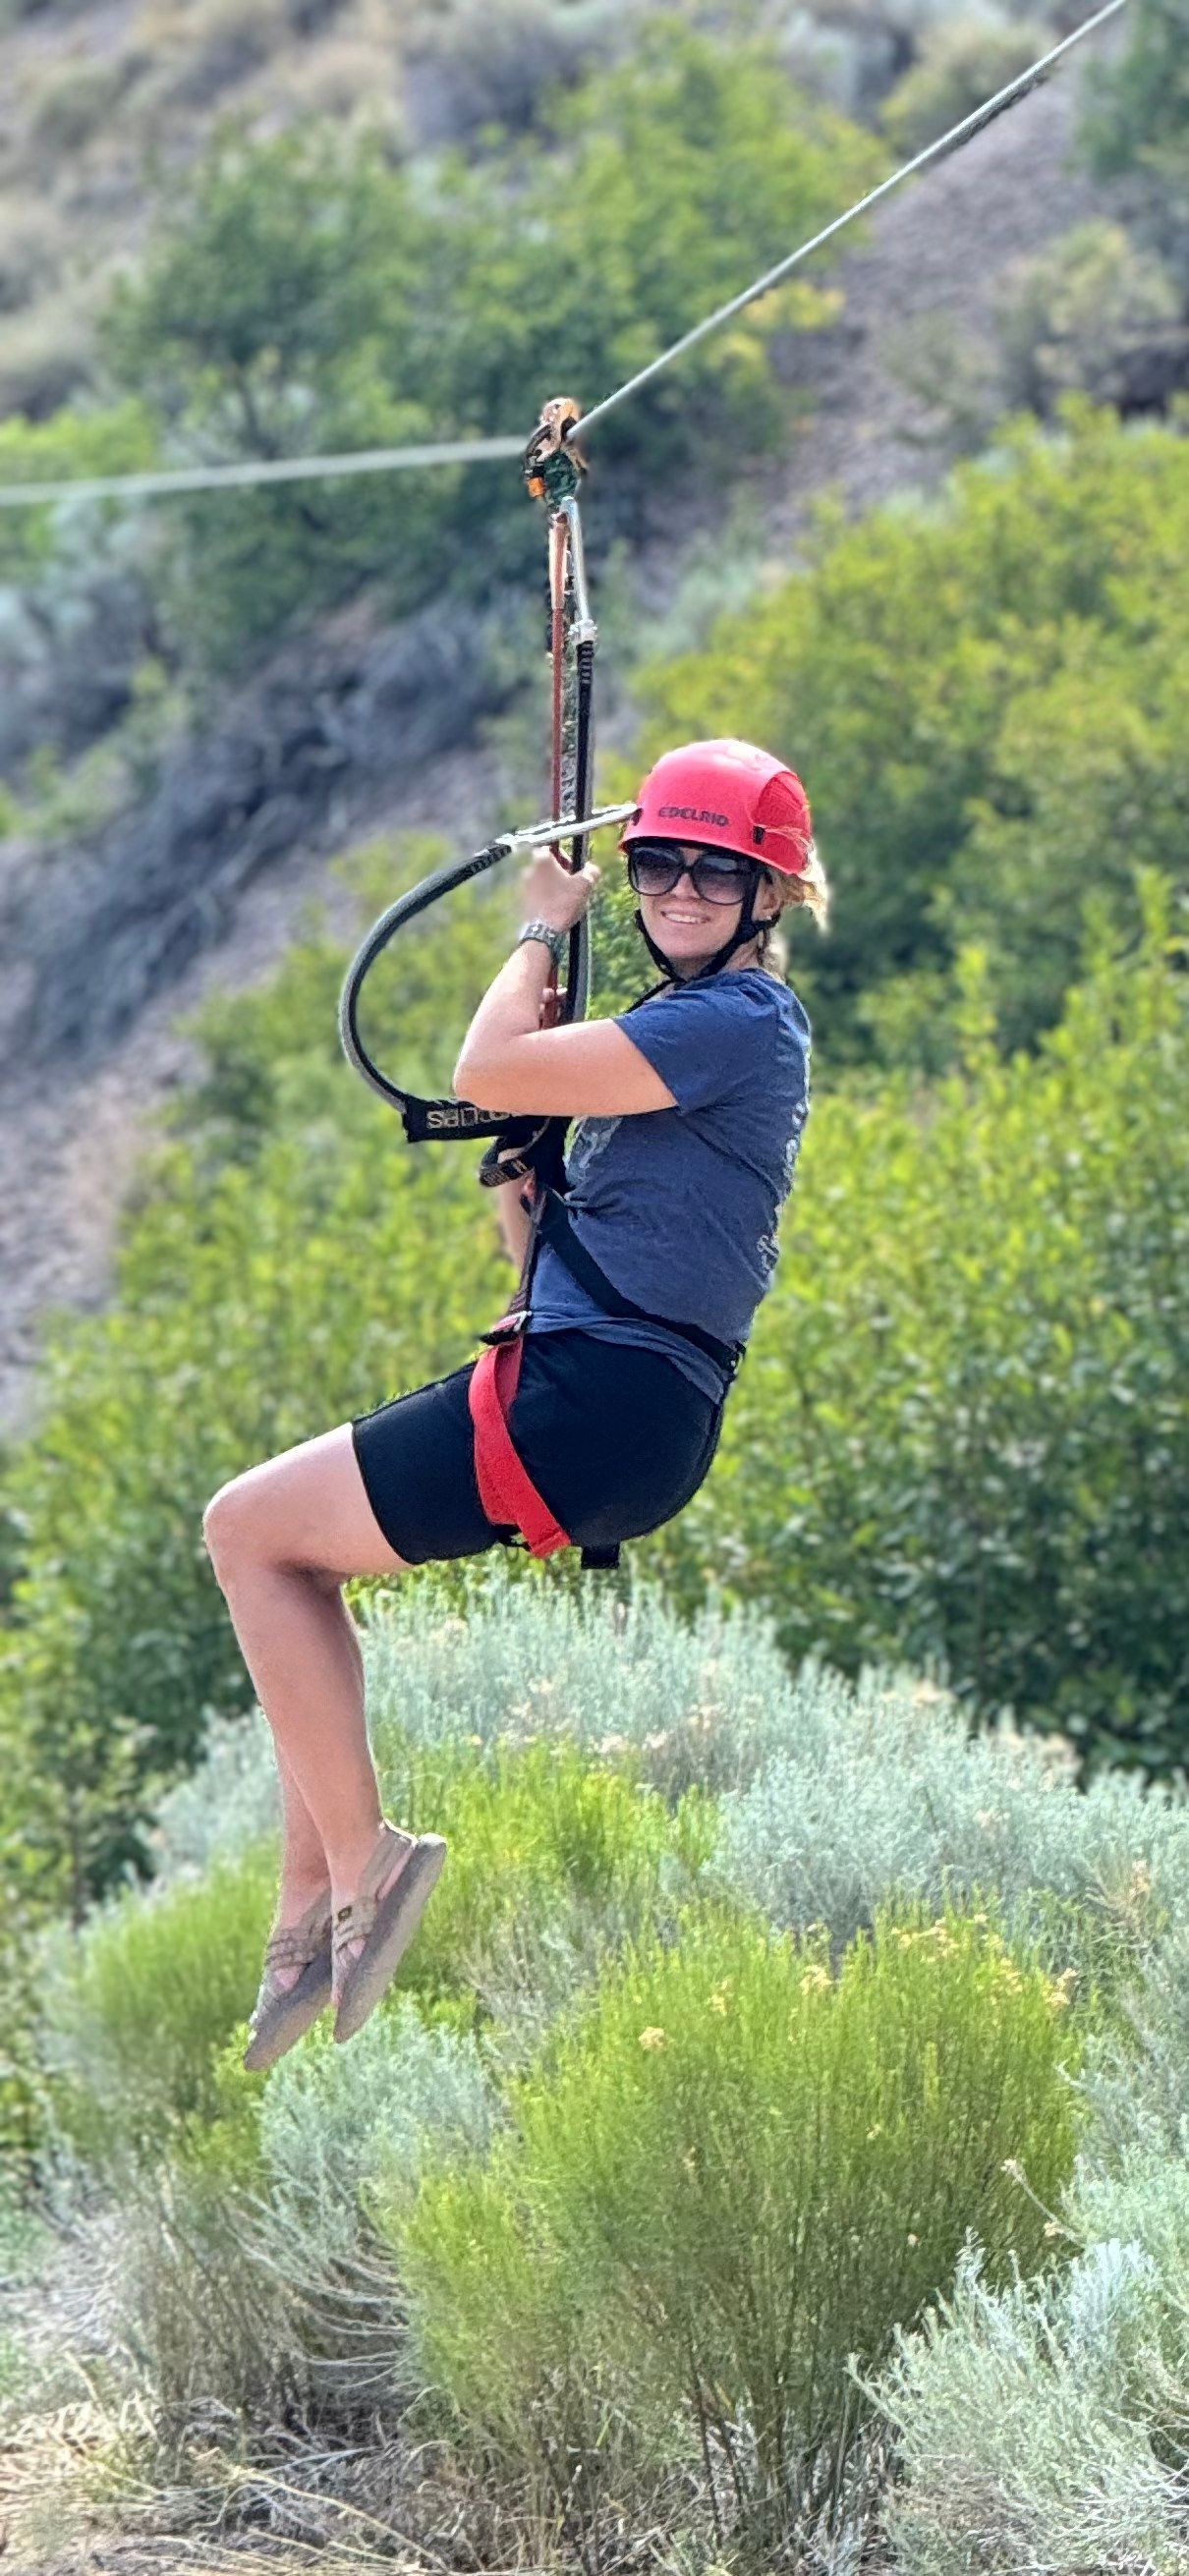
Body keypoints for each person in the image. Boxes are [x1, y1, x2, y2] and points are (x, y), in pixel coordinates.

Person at [202, 738, 829, 2071]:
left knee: (248, 1533)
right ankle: (305, 1917)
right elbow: (568, 1253)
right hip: (617, 1410)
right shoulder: (683, 1045)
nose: (674, 889)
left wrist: (541, 932)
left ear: (769, 891)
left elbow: (487, 1061)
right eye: (656, 860)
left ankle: (366, 1865)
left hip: (593, 1401)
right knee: (292, 1563)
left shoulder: (732, 1022)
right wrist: (525, 1210)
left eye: (712, 871)